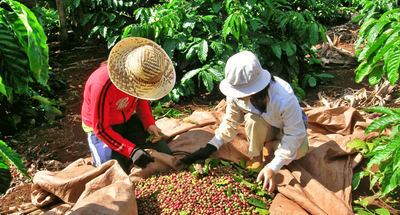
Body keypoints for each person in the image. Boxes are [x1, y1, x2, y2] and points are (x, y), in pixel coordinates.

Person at [181, 51, 308, 192]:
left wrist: (273, 166)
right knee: (252, 119)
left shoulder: (284, 98)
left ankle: (271, 146)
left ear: (256, 89)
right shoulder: (235, 96)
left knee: (301, 150)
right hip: (265, 124)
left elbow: (295, 133)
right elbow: (230, 122)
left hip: (285, 127)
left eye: (241, 91)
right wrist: (211, 147)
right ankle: (256, 158)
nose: (237, 95)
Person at [81, 37, 176, 171]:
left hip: (127, 121)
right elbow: (101, 129)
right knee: (113, 171)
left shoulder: (141, 78)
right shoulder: (102, 85)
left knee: (164, 154)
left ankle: (124, 145)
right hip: (101, 128)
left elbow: (142, 101)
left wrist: (149, 123)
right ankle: (116, 150)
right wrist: (131, 150)